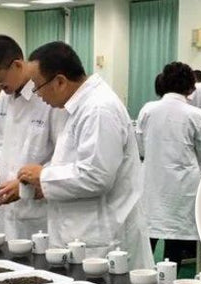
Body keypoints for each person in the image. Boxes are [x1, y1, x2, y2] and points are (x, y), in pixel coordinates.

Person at [17, 41, 155, 269]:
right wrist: (47, 184)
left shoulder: (98, 109)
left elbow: (96, 176)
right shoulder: (76, 108)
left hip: (103, 239)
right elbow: (74, 163)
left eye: (37, 86)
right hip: (83, 234)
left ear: (60, 81)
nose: (37, 95)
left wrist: (43, 176)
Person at [0, 35, 63, 241]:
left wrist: (26, 185)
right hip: (6, 204)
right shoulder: (6, 96)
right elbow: (1, 141)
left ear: (16, 65)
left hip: (38, 212)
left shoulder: (48, 96)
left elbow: (63, 154)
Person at [139, 62, 201, 264]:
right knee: (177, 237)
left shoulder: (148, 110)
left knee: (148, 234)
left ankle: (142, 278)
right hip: (183, 184)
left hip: (152, 180)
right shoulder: (194, 114)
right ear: (190, 86)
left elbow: (141, 145)